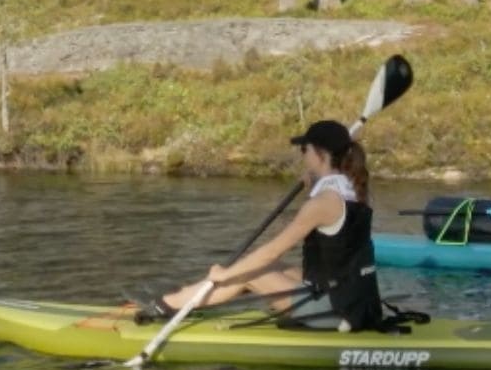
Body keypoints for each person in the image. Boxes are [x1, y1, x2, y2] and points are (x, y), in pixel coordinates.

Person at [142, 120, 386, 331]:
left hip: (335, 312)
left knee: (252, 272)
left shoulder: (321, 203)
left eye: (305, 149)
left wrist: (226, 273)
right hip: (361, 301)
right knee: (276, 268)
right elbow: (337, 230)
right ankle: (189, 298)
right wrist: (314, 184)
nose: (302, 155)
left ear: (320, 154)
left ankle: (170, 304)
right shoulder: (355, 188)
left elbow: (272, 250)